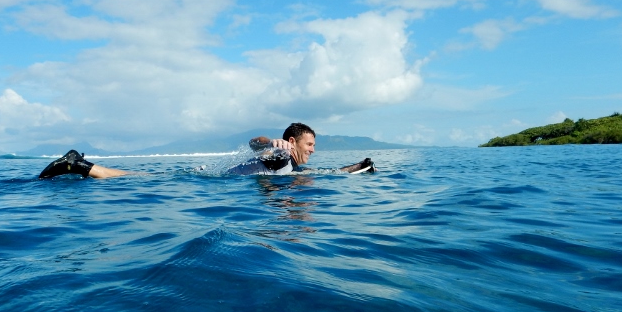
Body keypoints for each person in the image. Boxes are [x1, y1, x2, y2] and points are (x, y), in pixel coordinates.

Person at [37, 122, 375, 179]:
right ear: (293, 142)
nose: (314, 150)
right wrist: (269, 141)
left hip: (205, 177)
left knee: (136, 176)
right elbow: (254, 144)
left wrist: (353, 169)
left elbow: (316, 175)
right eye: (310, 144)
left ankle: (79, 165)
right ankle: (77, 166)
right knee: (134, 177)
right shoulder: (281, 154)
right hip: (204, 180)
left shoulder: (293, 166)